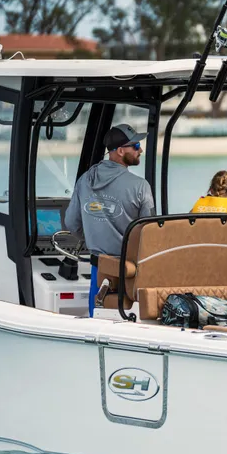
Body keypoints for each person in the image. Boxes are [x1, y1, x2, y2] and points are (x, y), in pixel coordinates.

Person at [65, 124, 155, 317]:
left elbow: (72, 224)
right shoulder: (140, 186)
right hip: (130, 272)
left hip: (100, 271)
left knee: (95, 322)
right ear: (120, 151)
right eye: (136, 145)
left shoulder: (84, 180)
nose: (141, 150)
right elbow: (150, 233)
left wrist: (93, 236)